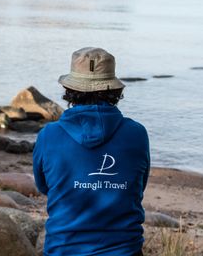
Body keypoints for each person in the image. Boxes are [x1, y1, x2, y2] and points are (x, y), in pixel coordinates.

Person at [33, 47, 150, 256]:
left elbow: (44, 186)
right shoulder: (137, 134)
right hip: (124, 250)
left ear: (70, 89)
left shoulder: (48, 136)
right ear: (114, 90)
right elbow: (138, 186)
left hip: (64, 249)